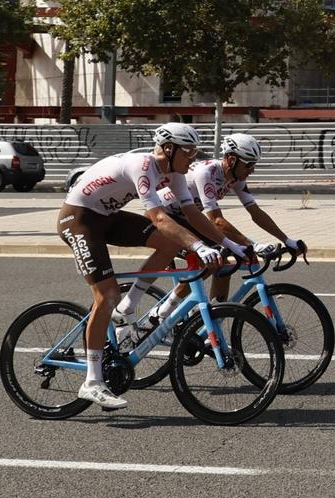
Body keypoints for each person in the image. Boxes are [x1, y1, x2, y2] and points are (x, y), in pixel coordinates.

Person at [56, 123, 245, 410]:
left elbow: (193, 214)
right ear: (168, 150)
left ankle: (130, 303)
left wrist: (231, 246)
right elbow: (158, 217)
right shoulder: (143, 165)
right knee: (106, 296)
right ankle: (92, 382)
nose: (192, 158)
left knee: (169, 244)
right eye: (188, 152)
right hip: (79, 219)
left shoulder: (175, 172)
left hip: (108, 216)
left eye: (195, 152)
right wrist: (198, 246)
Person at [136, 133, 301, 323]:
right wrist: (253, 244)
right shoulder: (207, 173)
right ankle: (161, 314)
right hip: (165, 220)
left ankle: (210, 321)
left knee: (223, 264)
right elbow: (216, 221)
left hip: (188, 219)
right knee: (207, 259)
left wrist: (286, 240)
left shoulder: (236, 178)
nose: (252, 170)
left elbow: (255, 212)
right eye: (248, 164)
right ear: (231, 160)